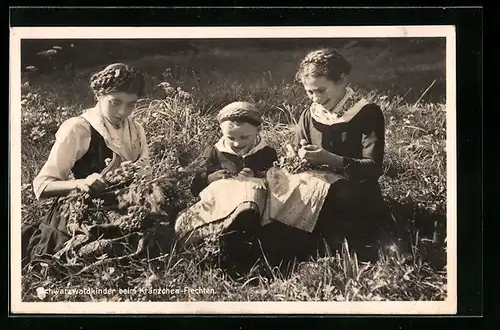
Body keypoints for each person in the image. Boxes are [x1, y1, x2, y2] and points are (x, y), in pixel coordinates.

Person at [261, 48, 392, 262]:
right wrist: (295, 154)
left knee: (332, 198)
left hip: (353, 191)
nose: (316, 98)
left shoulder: (366, 113)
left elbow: (372, 168)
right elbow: (297, 150)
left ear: (342, 80)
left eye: (321, 90)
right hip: (314, 183)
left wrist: (329, 159)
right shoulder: (310, 114)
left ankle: (328, 250)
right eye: (310, 92)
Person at [21, 63, 157, 269]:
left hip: (127, 207)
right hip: (83, 210)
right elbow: (41, 186)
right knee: (97, 254)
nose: (122, 111)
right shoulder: (78, 128)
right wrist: (82, 183)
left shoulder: (136, 130)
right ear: (99, 96)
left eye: (131, 104)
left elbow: (144, 173)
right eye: (115, 102)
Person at [174, 101, 278, 271]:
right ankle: (223, 244)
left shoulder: (266, 152)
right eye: (231, 138)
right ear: (222, 132)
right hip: (223, 205)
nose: (237, 143)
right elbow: (195, 186)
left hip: (256, 207)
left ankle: (252, 252)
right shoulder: (215, 152)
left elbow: (276, 177)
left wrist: (258, 176)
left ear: (258, 131)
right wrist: (210, 178)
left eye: (244, 137)